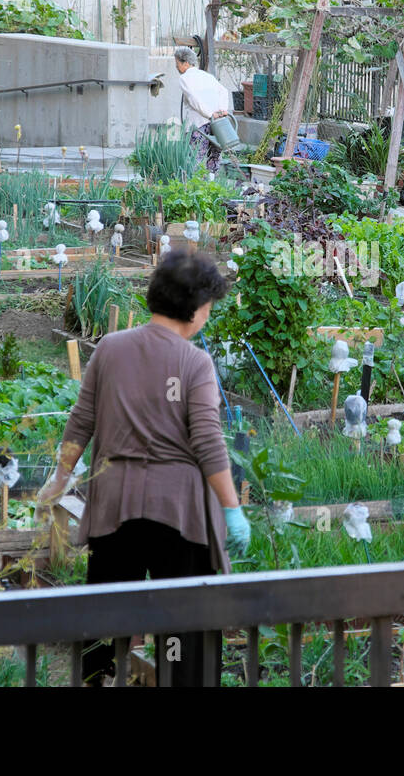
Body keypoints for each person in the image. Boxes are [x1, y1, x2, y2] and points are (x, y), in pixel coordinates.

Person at [36, 249, 249, 686]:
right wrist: (232, 509)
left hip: (115, 503)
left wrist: (60, 478)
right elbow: (208, 443)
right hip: (179, 512)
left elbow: (81, 421)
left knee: (105, 618)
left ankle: (96, 680)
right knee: (187, 627)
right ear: (196, 309)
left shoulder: (111, 349)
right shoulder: (194, 363)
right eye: (208, 307)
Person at [174, 46, 231, 173]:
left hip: (199, 124)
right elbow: (223, 91)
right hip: (218, 124)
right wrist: (221, 111)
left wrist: (210, 114)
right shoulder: (207, 76)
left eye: (177, 64)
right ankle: (211, 184)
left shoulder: (184, 78)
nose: (176, 67)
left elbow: (194, 99)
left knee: (195, 158)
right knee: (214, 156)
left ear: (186, 63)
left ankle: (195, 186)